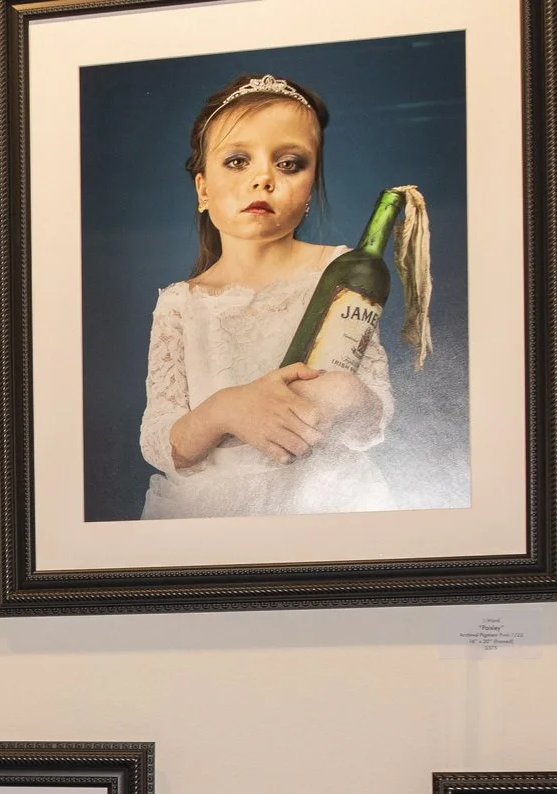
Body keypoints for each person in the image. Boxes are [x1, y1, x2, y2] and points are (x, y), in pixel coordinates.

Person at [136, 72, 420, 519]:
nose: (263, 178)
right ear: (203, 189)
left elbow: (373, 421)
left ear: (310, 187)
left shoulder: (340, 272)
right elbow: (159, 443)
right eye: (237, 161)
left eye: (289, 163)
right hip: (212, 513)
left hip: (325, 503)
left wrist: (344, 394)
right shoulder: (181, 304)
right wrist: (226, 409)